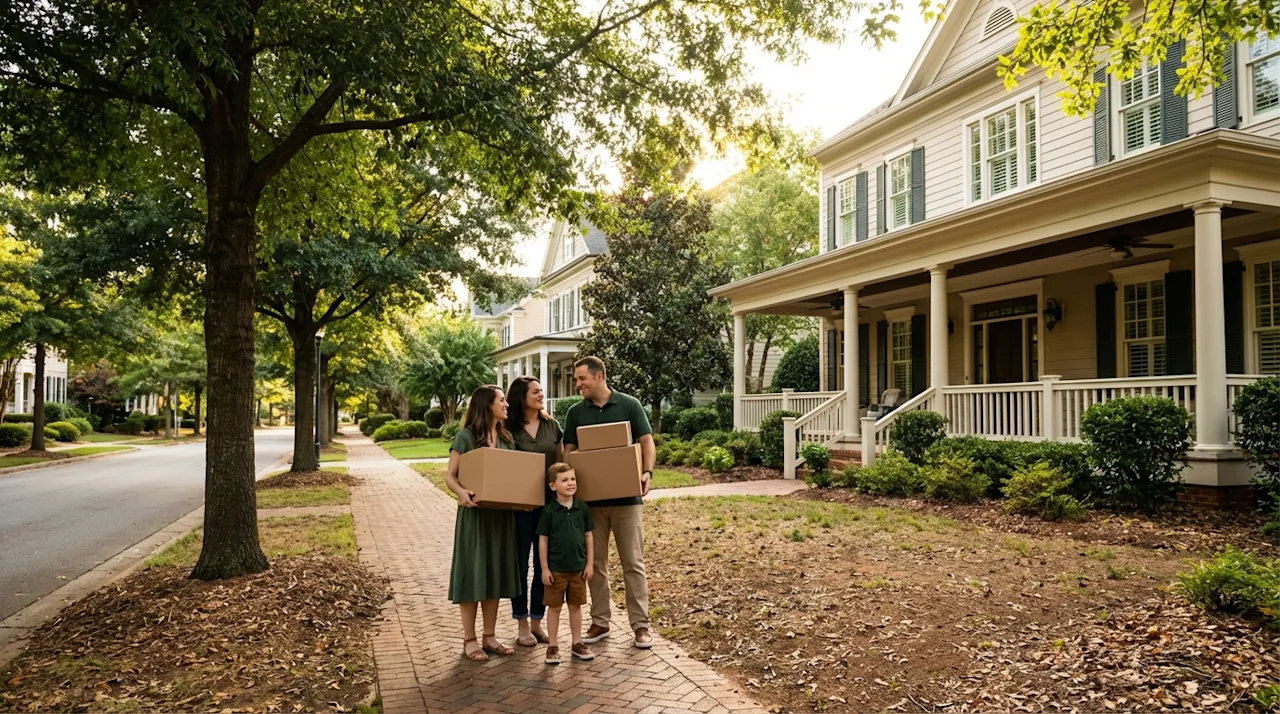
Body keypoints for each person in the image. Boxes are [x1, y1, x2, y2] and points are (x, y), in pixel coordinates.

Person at [563, 356, 656, 649]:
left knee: (633, 563)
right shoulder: (576, 413)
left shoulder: (629, 405)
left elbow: (646, 441)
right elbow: (568, 453)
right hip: (591, 503)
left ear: (599, 376)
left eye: (582, 379)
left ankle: (640, 626)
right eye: (576, 380)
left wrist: (647, 472)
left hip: (627, 500)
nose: (577, 385)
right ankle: (600, 622)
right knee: (596, 564)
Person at [444, 384, 521, 662]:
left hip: (500, 517)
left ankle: (490, 637)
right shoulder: (465, 437)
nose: (506, 404)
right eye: (502, 400)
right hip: (474, 517)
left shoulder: (506, 438)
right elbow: (450, 476)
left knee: (493, 574)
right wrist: (462, 493)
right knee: (473, 575)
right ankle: (470, 639)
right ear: (487, 404)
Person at [505, 375, 563, 648]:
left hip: (549, 509)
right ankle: (521, 624)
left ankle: (538, 623)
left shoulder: (552, 426)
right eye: (535, 392)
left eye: (542, 390)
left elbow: (562, 464)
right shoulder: (507, 429)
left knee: (544, 567)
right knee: (519, 564)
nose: (541, 395)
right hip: (520, 509)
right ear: (520, 397)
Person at [537, 463, 596, 664]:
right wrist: (545, 568)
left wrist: (589, 564)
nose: (570, 483)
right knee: (554, 608)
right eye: (565, 480)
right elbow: (543, 540)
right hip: (556, 571)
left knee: (575, 606)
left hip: (578, 570)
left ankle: (577, 643)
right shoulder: (548, 511)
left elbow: (589, 536)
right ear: (553, 486)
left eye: (573, 479)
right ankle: (552, 646)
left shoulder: (583, 508)